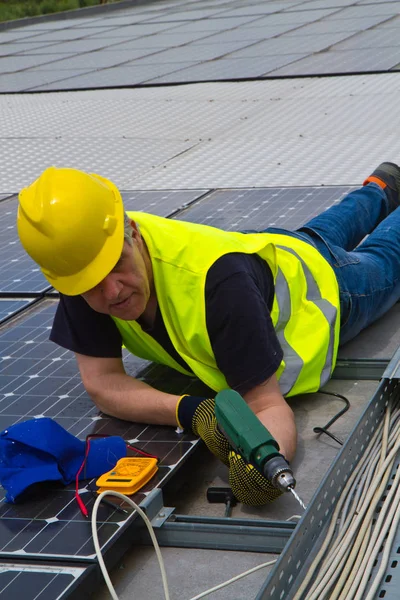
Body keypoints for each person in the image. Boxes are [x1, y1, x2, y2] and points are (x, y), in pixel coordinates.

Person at [17, 163, 400, 505]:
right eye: (91, 284)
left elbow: (265, 405)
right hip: (273, 248)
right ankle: (382, 186)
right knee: (318, 230)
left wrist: (265, 466)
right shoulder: (84, 260)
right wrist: (189, 411)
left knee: (386, 253)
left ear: (131, 231)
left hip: (327, 288)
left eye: (116, 265)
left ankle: (383, 193)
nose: (111, 291)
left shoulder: (216, 283)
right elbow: (102, 384)